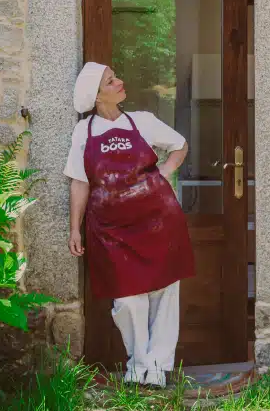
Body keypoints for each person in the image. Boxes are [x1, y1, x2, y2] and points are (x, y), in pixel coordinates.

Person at [64, 62, 195, 388]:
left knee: (165, 294)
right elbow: (79, 182)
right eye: (111, 81)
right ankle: (139, 366)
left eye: (116, 77)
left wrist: (163, 173)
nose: (120, 82)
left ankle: (157, 370)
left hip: (158, 223)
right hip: (112, 231)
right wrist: (74, 228)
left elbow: (179, 145)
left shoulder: (143, 122)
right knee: (127, 300)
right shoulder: (85, 131)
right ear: (97, 96)